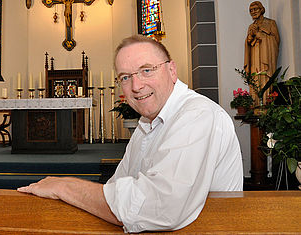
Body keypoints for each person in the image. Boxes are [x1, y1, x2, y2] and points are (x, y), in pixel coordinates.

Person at [17, 35, 243, 233]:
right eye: (125, 77)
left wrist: (64, 187)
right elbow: (118, 186)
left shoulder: (197, 115)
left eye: (146, 70)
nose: (136, 86)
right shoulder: (146, 123)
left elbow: (159, 206)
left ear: (171, 70)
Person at [244, 1, 280, 105]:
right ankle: (255, 104)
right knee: (255, 78)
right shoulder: (251, 26)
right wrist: (250, 37)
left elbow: (276, 40)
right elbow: (248, 44)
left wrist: (260, 35)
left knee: (265, 78)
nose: (253, 12)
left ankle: (266, 103)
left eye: (255, 9)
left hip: (265, 58)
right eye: (251, 10)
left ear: (261, 9)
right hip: (255, 57)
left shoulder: (270, 23)